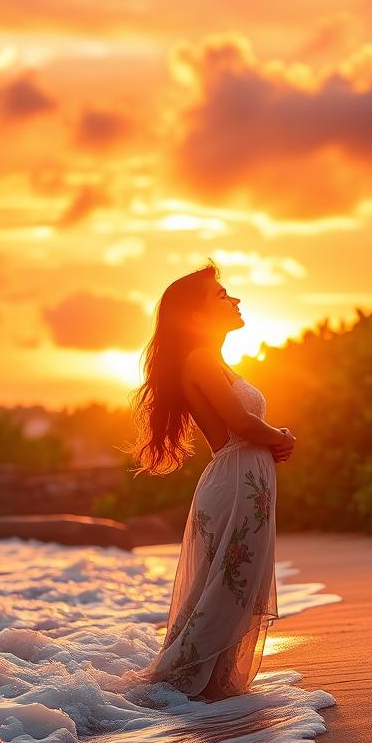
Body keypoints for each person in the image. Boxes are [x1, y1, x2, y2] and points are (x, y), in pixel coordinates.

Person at [126, 261, 296, 700]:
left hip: (244, 478)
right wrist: (280, 437)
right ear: (197, 316)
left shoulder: (214, 361)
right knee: (228, 583)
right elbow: (240, 422)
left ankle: (210, 686)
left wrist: (274, 441)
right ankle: (183, 686)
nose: (235, 299)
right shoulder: (200, 359)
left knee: (234, 580)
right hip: (236, 480)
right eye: (222, 295)